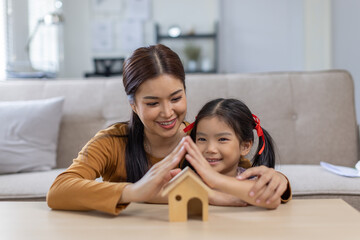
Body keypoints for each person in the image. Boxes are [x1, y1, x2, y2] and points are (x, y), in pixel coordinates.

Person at [47, 44, 289, 215]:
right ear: (133, 104)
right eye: (152, 103)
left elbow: (246, 183)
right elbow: (59, 190)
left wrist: (279, 180)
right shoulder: (112, 141)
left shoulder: (202, 141)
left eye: (176, 98)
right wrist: (134, 191)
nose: (167, 112)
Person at [182, 98, 291, 208]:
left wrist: (215, 179)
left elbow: (272, 200)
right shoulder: (190, 178)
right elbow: (164, 192)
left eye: (222, 139)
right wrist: (211, 196)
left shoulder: (250, 179)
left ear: (245, 146)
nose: (210, 149)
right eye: (202, 139)